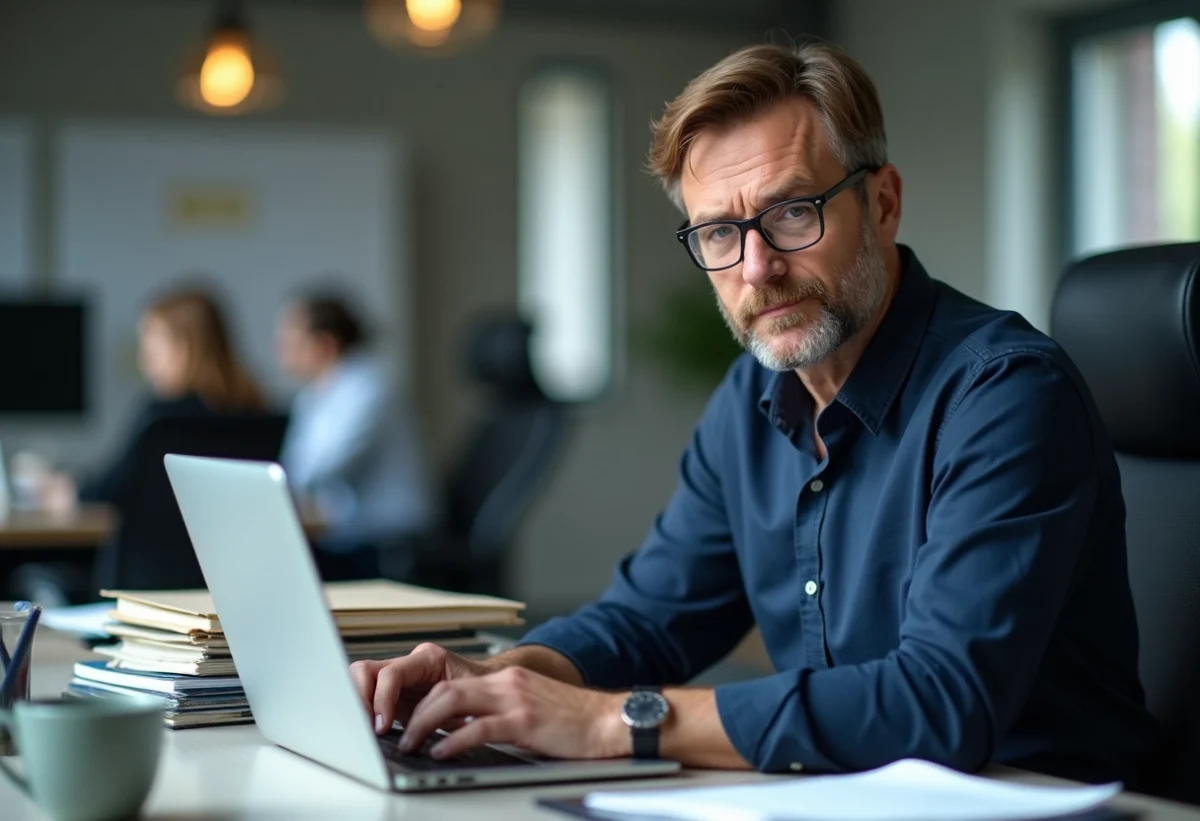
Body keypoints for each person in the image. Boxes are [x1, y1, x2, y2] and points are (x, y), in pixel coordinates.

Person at [349, 42, 1159, 784]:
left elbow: (941, 701)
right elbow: (653, 617)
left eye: (792, 214)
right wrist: (503, 677)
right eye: (717, 233)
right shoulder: (753, 395)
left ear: (882, 204)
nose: (757, 268)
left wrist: (611, 720)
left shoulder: (1005, 394)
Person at [41, 287, 265, 510]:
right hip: (223, 545)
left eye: (152, 352)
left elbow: (112, 487)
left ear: (183, 349)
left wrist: (72, 491)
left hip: (150, 545)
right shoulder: (257, 413)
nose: (145, 365)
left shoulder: (161, 420)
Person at [276, 291, 432, 582]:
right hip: (346, 530)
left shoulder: (370, 388)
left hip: (384, 538)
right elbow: (295, 471)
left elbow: (323, 469)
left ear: (325, 343)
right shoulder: (311, 395)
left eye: (291, 341)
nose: (281, 351)